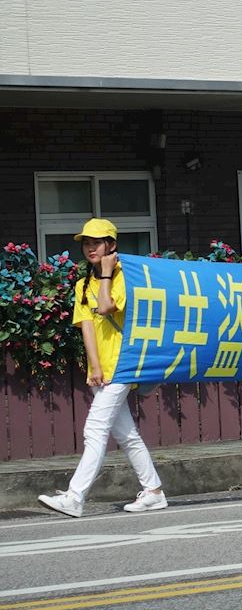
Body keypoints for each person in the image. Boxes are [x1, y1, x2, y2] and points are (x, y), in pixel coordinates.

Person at [38, 218, 167, 517]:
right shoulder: (83, 284)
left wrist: (107, 273)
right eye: (86, 243)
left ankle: (75, 497)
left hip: (124, 364)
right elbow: (87, 326)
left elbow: (107, 307)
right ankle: (154, 491)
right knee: (127, 435)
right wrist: (95, 367)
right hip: (103, 369)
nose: (90, 248)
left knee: (94, 429)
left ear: (111, 245)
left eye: (96, 242)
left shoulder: (125, 277)